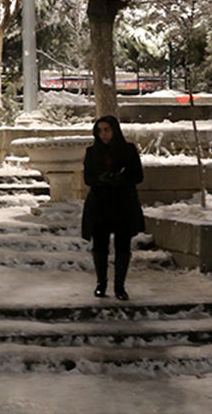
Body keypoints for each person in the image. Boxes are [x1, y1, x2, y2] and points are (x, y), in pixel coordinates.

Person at [81, 115, 145, 301]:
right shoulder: (92, 152)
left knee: (122, 246)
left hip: (123, 203)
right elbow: (88, 178)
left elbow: (138, 175)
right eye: (100, 131)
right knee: (100, 245)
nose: (103, 134)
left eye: (106, 130)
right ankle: (101, 283)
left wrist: (121, 179)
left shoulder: (128, 150)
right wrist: (101, 179)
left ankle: (120, 286)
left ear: (115, 130)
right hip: (100, 204)